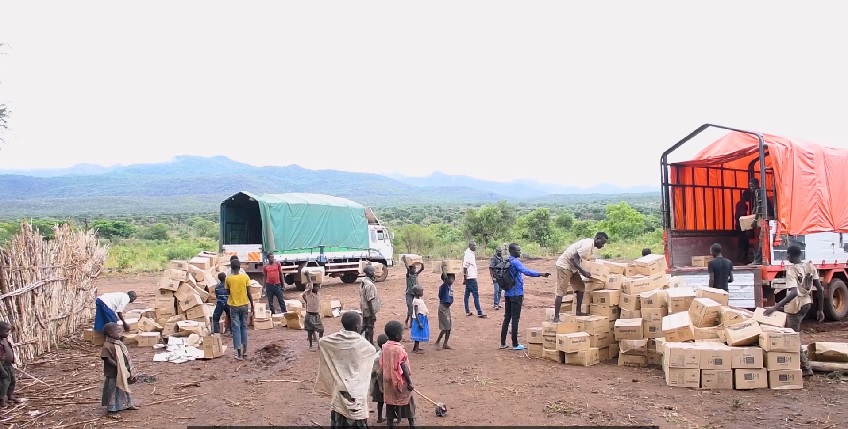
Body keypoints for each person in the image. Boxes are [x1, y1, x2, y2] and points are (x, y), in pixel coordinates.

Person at [764, 244, 825, 377]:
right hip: (807, 303)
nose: (787, 257)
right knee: (790, 333)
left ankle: (806, 367)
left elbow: (793, 293)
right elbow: (820, 290)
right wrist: (820, 310)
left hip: (795, 306)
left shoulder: (792, 270)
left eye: (787, 255)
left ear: (791, 255)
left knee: (793, 336)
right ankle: (791, 362)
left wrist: (775, 307)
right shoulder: (810, 266)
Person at [315, 312, 377, 428]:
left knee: (339, 413)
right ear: (357, 327)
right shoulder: (365, 346)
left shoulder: (334, 340)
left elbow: (322, 341)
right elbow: (372, 354)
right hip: (356, 392)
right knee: (356, 417)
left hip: (340, 388)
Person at [500, 243, 550, 350]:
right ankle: (515, 344)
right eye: (518, 250)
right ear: (512, 251)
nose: (520, 252)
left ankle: (503, 343)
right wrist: (540, 274)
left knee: (507, 317)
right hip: (516, 293)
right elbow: (526, 271)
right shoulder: (516, 262)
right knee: (515, 319)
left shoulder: (507, 261)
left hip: (507, 293)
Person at [553, 232, 609, 321]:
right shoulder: (587, 246)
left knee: (580, 287)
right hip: (564, 266)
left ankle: (578, 311)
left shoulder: (591, 247)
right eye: (602, 243)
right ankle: (556, 317)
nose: (602, 246)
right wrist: (583, 271)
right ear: (597, 239)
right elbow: (573, 258)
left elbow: (581, 259)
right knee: (561, 291)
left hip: (573, 267)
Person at [381, 321, 416, 428]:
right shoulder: (399, 349)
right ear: (397, 335)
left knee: (390, 403)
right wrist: (409, 382)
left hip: (388, 380)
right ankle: (412, 423)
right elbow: (403, 366)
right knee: (408, 400)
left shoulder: (385, 346)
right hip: (400, 380)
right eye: (402, 333)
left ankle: (390, 424)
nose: (402, 335)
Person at [100, 322, 138, 413]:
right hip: (113, 373)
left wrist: (124, 368)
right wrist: (118, 367)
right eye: (118, 332)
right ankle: (111, 410)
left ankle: (127, 404)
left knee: (123, 387)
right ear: (111, 334)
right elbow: (107, 359)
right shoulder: (107, 346)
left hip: (121, 371)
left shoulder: (118, 344)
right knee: (113, 390)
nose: (120, 334)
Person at [226, 258, 254, 361]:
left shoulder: (228, 279)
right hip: (244, 305)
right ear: (239, 267)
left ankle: (238, 354)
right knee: (244, 327)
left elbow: (228, 292)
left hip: (234, 306)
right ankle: (245, 351)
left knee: (236, 329)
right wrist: (252, 305)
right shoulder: (245, 278)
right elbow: (249, 293)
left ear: (231, 268)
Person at [462, 241, 487, 318]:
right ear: (470, 246)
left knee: (467, 295)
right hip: (471, 278)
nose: (475, 247)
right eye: (474, 246)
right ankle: (479, 312)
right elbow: (465, 267)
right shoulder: (469, 254)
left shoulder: (469, 253)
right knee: (475, 295)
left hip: (470, 278)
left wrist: (465, 278)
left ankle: (467, 311)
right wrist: (465, 278)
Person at [370, 334, 391, 424]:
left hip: (377, 383)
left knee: (380, 402)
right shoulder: (385, 355)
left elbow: (373, 370)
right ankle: (389, 417)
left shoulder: (377, 355)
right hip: (385, 382)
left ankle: (379, 417)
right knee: (389, 401)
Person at [360, 265, 382, 347]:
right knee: (370, 326)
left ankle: (364, 339)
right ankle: (371, 343)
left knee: (365, 325)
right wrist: (373, 314)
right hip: (369, 309)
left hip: (365, 307)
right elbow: (369, 300)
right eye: (373, 271)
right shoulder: (370, 285)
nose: (374, 272)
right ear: (369, 273)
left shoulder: (364, 281)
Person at [0, 322, 19, 407]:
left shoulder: (5, 340)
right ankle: (1, 399)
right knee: (4, 383)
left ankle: (10, 396)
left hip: (9, 365)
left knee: (12, 381)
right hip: (2, 366)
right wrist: (2, 370)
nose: (8, 333)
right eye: (6, 331)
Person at [303, 280, 324, 351]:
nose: (317, 288)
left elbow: (320, 282)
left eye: (318, 287)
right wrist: (309, 277)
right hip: (310, 314)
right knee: (310, 331)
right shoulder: (309, 293)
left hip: (316, 315)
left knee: (321, 330)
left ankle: (319, 344)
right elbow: (310, 286)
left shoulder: (318, 294)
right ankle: (310, 346)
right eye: (316, 287)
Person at [435, 273, 455, 350]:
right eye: (451, 278)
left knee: (449, 327)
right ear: (445, 279)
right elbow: (446, 277)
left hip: (447, 309)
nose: (453, 280)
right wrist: (444, 268)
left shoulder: (449, 287)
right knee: (445, 327)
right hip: (443, 308)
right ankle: (437, 342)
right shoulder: (444, 286)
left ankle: (445, 343)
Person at [409, 286, 430, 354]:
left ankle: (415, 348)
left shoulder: (418, 299)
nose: (422, 293)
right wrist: (419, 322)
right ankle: (416, 349)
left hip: (422, 317)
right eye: (421, 291)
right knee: (418, 334)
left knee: (418, 333)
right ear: (417, 293)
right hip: (419, 318)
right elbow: (416, 312)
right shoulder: (416, 301)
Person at [404, 262, 424, 328]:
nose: (415, 270)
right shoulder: (408, 275)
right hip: (409, 294)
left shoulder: (416, 274)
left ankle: (408, 320)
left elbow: (422, 268)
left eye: (415, 268)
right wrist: (405, 261)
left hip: (415, 294)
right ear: (410, 270)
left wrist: (421, 263)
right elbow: (407, 269)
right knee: (410, 308)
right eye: (413, 269)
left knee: (412, 309)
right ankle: (410, 323)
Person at [735, 194, 751, 265]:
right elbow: (742, 215)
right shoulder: (743, 205)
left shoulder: (739, 203)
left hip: (740, 225)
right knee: (744, 243)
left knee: (743, 242)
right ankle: (741, 259)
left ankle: (741, 259)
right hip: (742, 226)